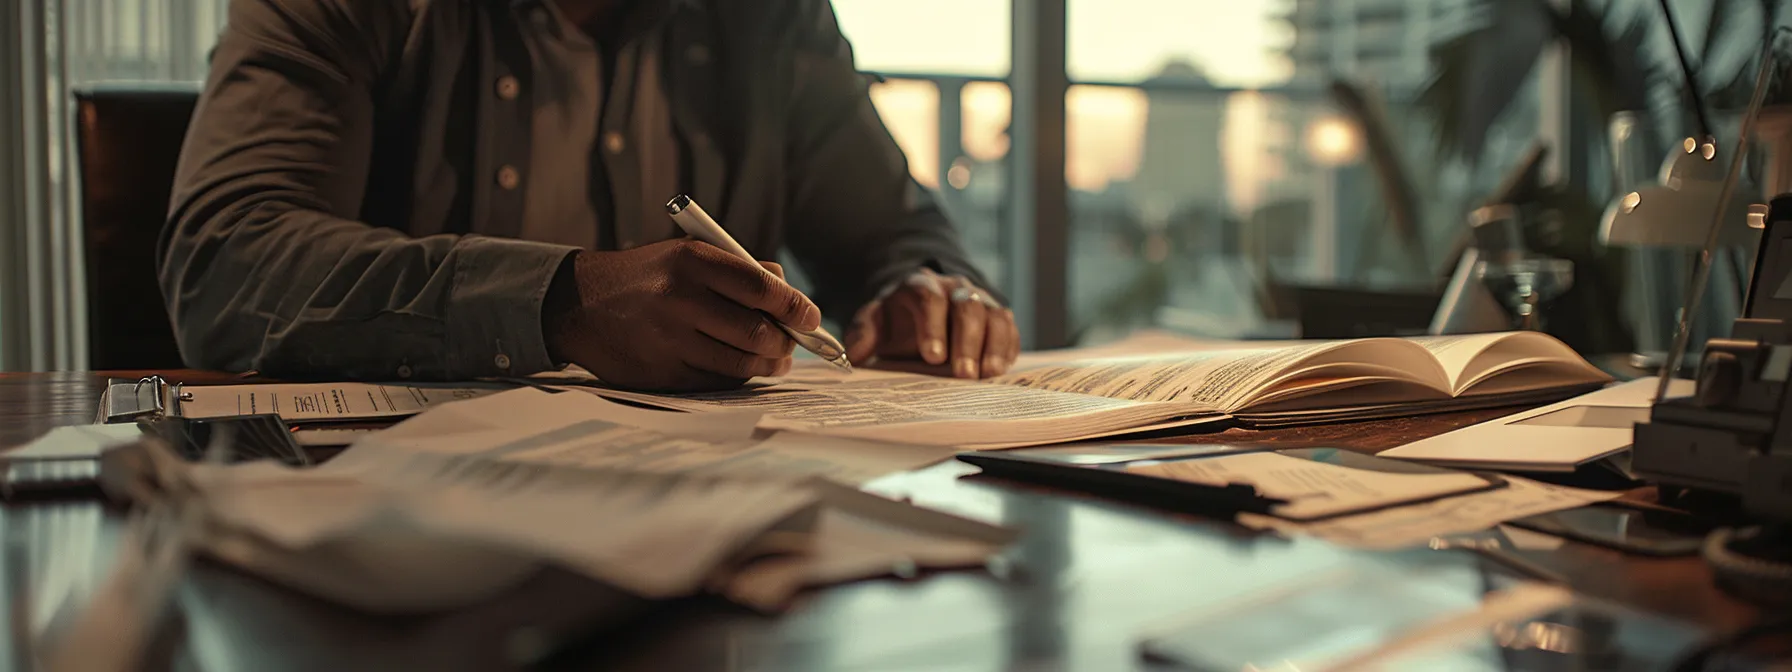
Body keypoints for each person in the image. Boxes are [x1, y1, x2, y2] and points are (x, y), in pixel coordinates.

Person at [160, 0, 1017, 392]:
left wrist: (932, 286)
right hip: (385, 542)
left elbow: (894, 234)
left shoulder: (772, 20)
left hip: (713, 535)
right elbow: (227, 257)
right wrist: (559, 303)